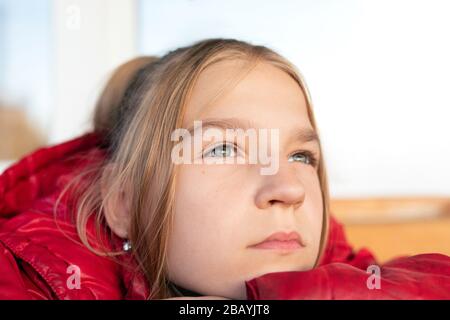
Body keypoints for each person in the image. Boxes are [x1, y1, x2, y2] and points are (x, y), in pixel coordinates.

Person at [0, 39, 449, 300]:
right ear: (125, 203)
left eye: (301, 156)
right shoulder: (29, 281)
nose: (289, 188)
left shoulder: (347, 272)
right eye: (224, 150)